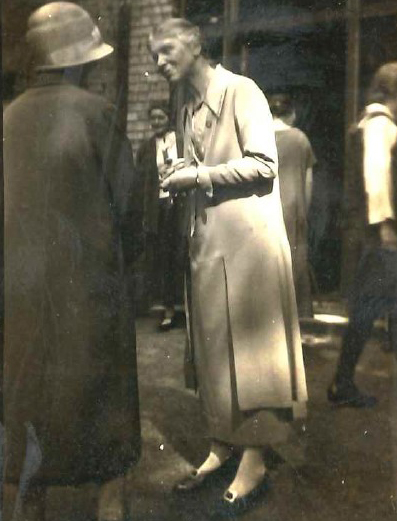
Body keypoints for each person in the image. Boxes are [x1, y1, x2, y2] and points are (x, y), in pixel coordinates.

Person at [149, 18, 307, 513]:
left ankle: (254, 459)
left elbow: (264, 164)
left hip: (248, 249)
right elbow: (202, 170)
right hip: (209, 245)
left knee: (251, 356)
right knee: (214, 351)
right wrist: (181, 174)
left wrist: (196, 176)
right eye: (154, 55)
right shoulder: (187, 107)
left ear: (195, 45)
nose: (159, 62)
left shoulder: (242, 91)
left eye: (166, 50)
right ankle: (223, 444)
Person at [3, 3, 143, 519]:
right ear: (78, 62)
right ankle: (110, 505)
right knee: (106, 408)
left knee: (27, 402)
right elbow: (129, 207)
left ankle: (30, 504)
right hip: (91, 287)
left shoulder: (7, 119)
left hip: (20, 290)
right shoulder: (96, 113)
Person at [328, 62, 397, 407]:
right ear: (395, 92)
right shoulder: (379, 125)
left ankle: (342, 383)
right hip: (384, 235)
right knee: (393, 310)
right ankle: (342, 384)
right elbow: (377, 176)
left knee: (371, 309)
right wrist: (385, 225)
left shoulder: (377, 124)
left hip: (381, 235)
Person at [137, 101, 185, 329]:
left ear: (169, 119)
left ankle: (190, 308)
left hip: (181, 205)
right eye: (153, 118)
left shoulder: (181, 141)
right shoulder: (147, 148)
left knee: (183, 254)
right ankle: (168, 310)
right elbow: (141, 181)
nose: (156, 122)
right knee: (164, 258)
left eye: (161, 118)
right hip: (159, 208)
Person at [268, 94, 315, 318]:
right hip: (293, 208)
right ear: (291, 114)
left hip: (266, 207)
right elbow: (308, 181)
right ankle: (298, 313)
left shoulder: (261, 136)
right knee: (295, 258)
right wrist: (305, 209)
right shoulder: (300, 139)